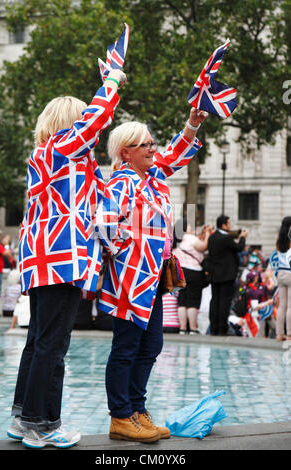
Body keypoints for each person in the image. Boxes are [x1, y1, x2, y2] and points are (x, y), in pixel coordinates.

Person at [7, 68, 126, 449]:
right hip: (63, 259)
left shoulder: (48, 157)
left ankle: (22, 416)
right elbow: (98, 116)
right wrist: (112, 80)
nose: (92, 132)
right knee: (53, 345)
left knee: (38, 342)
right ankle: (43, 424)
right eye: (82, 121)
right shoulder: (64, 148)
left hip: (41, 259)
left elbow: (98, 206)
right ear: (71, 124)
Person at [95, 107, 208, 442]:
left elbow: (175, 153)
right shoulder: (119, 182)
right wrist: (124, 253)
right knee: (126, 347)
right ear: (125, 152)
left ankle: (137, 410)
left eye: (152, 142)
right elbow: (103, 226)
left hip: (154, 279)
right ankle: (121, 416)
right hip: (131, 279)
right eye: (145, 144)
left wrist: (192, 123)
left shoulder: (154, 178)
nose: (152, 148)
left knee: (152, 344)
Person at [208, 215, 248, 335]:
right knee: (224, 302)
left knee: (214, 300)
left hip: (214, 275)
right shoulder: (226, 239)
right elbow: (239, 248)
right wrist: (242, 237)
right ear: (224, 225)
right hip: (226, 275)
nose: (230, 226)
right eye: (229, 224)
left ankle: (214, 327)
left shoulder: (212, 237)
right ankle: (222, 328)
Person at [173, 224, 213, 334]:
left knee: (182, 300)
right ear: (185, 228)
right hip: (193, 272)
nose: (192, 227)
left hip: (180, 272)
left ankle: (183, 328)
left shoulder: (176, 240)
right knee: (192, 301)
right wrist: (208, 234)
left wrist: (202, 234)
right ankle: (193, 328)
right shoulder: (190, 238)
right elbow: (203, 247)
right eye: (190, 226)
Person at [269, 216, 291, 341]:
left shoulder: (279, 240)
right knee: (290, 306)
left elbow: (275, 257)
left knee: (281, 306)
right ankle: (289, 334)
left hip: (281, 274)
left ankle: (279, 334)